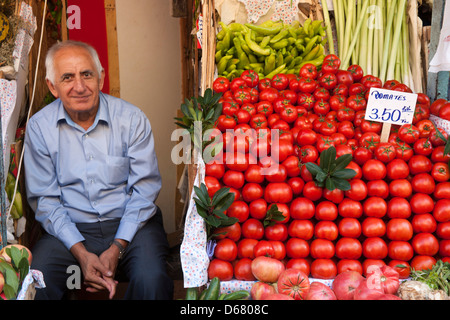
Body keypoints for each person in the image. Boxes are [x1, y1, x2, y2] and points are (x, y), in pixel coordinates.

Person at [23, 40, 174, 300]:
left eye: (87, 74)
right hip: (68, 231)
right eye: (67, 77)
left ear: (101, 78)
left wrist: (117, 247)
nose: (79, 86)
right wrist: (81, 254)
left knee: (152, 279)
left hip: (133, 226)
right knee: (38, 282)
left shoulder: (131, 119)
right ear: (52, 86)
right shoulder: (39, 128)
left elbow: (144, 190)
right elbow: (46, 201)